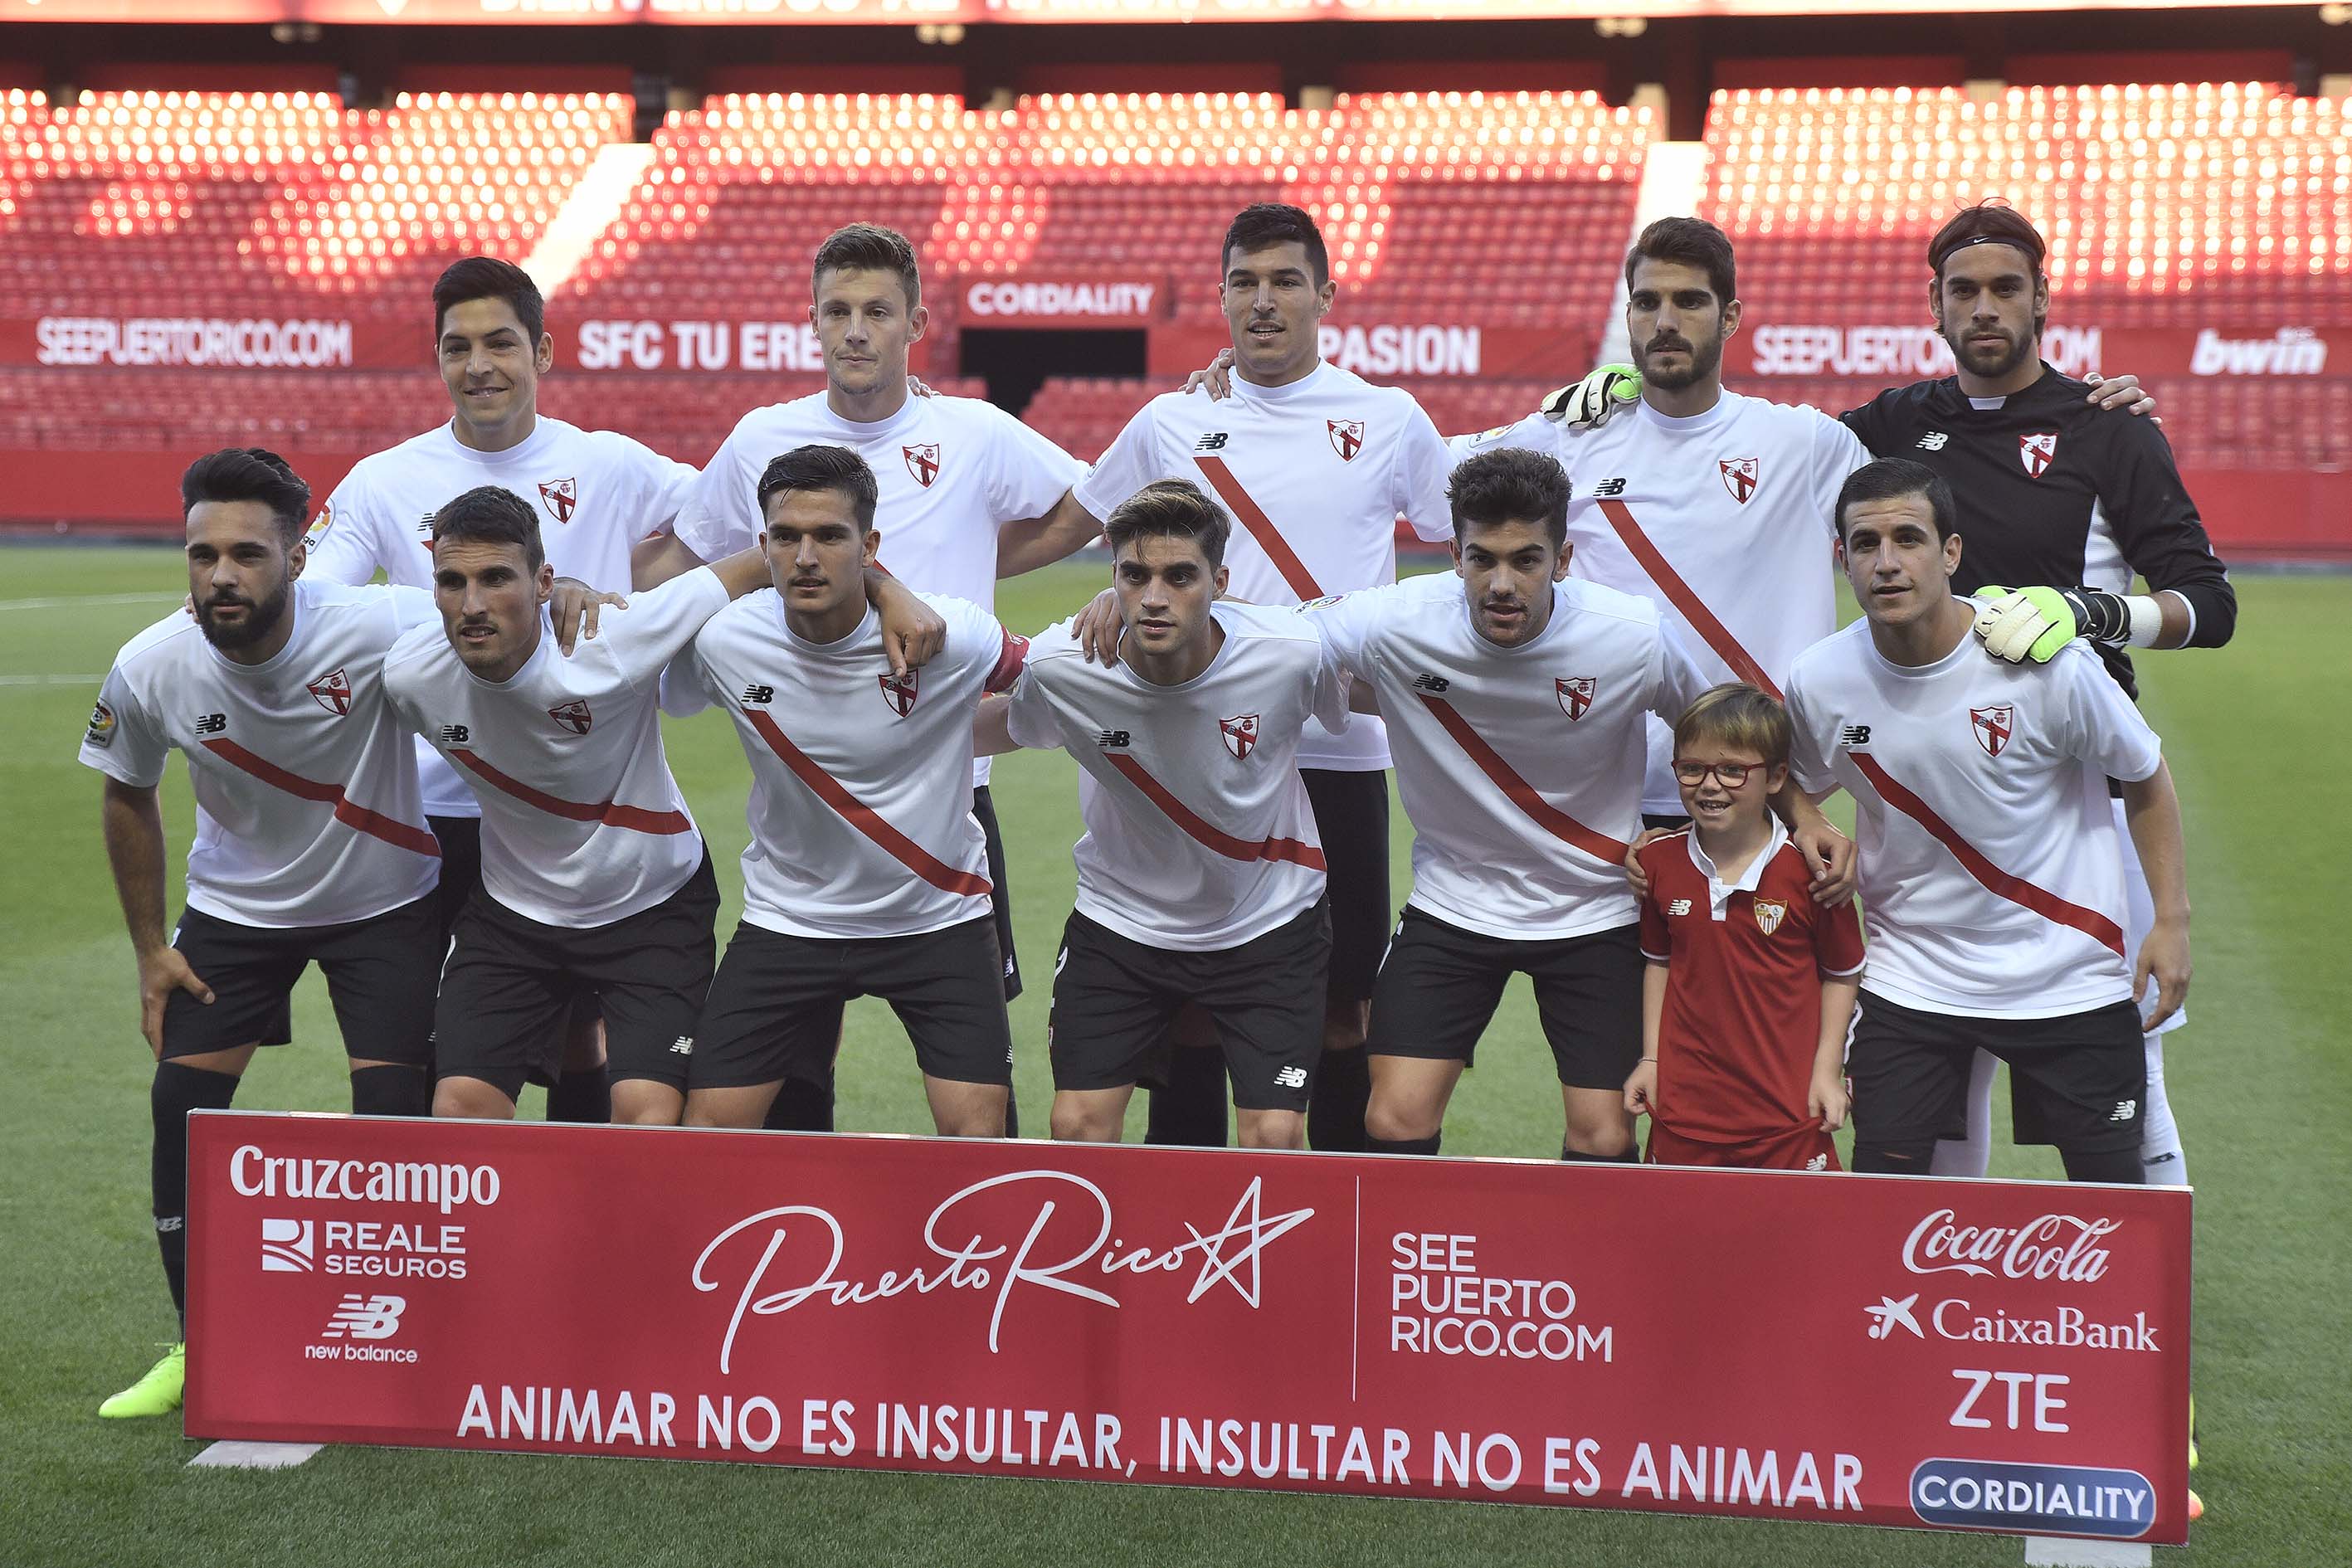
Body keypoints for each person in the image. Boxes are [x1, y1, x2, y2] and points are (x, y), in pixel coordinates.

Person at [1006, 202, 1458, 1152]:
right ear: (1220, 297)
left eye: (1286, 281)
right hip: (1191, 742)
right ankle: (1191, 1229)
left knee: (1344, 1007)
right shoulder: (1174, 417)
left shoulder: (1387, 418)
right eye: (1245, 283)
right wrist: (902, 583)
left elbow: (1471, 541)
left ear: (1325, 296)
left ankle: (1333, 1205)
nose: (1264, 302)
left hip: (1337, 745)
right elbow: (1075, 531)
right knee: (1186, 1008)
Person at [650, 222, 1087, 1133]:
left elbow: (1075, 512)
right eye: (838, 311)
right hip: (805, 789)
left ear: (913, 323)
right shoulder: (763, 438)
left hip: (946, 784)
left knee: (972, 1083)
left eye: (877, 311)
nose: (856, 330)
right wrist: (880, 588)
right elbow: (688, 566)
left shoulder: (970, 432)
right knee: (796, 1064)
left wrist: (966, 573)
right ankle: (793, 1242)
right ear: (811, 321)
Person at [1838, 202, 2237, 1186]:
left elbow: (2210, 603)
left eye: (2005, 288)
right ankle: (1937, 1302)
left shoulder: (2107, 432)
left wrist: (2096, 617)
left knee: (2126, 1062)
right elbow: (1748, 466)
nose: (1985, 308)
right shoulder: (1893, 424)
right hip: (1931, 800)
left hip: (2078, 808)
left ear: (2042, 299)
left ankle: (2142, 1305)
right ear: (1934, 305)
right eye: (1963, 290)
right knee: (1936, 1074)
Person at [383, 485, 942, 1126]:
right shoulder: (411, 677)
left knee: (648, 1119)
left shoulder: (617, 639)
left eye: (496, 578)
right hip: (515, 916)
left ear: (542, 583)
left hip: (651, 907)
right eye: (452, 582)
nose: (473, 604)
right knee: (459, 1110)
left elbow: (776, 561)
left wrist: (887, 590)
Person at [302, 256, 703, 1125]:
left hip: (574, 794)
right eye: (457, 347)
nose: (478, 365)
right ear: (437, 359)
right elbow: (318, 598)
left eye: (499, 343)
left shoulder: (609, 464)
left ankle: (584, 1229)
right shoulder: (384, 479)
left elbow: (733, 520)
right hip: (432, 808)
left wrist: (627, 603)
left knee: (578, 1038)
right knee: (432, 1051)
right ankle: (446, 1238)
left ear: (542, 351)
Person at [85, 450, 441, 1419]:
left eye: (247, 553)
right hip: (237, 918)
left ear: (296, 551)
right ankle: (200, 1347)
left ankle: (405, 1341)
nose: (221, 576)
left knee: (395, 1124)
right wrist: (152, 947)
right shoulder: (153, 662)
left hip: (388, 907)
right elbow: (127, 790)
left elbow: (504, 633)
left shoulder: (378, 622)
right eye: (203, 555)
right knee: (182, 1115)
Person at [1296, 447, 1738, 1161]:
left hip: (1595, 907)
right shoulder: (1395, 620)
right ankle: (1407, 1270)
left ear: (1562, 559)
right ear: (1453, 554)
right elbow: (1253, 643)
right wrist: (1122, 609)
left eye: (1526, 560)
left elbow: (1720, 730)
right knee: (1393, 1117)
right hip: (1455, 900)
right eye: (1482, 560)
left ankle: (1586, 1274)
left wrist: (1686, 836)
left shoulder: (1629, 635)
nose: (1502, 584)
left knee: (1603, 1130)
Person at [1785, 459, 2189, 1186]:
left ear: (1950, 553)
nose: (1887, 563)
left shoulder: (2046, 666)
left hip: (2068, 972)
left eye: (1908, 539)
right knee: (1882, 1197)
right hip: (1912, 979)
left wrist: (2170, 920)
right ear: (1839, 558)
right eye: (1865, 544)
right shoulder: (1819, 679)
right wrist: (1808, 814)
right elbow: (1793, 780)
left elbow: (2143, 772)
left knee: (2109, 1206)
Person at [975, 480, 1351, 1152]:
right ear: (1111, 576)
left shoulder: (1290, 654)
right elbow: (1004, 725)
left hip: (1267, 922)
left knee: (1274, 1136)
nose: (1153, 597)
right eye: (1134, 575)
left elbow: (1381, 697)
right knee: (1076, 1129)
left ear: (1220, 581)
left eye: (1180, 577)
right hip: (1122, 923)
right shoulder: (1065, 666)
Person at [667, 446, 1028, 1137]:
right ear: (762, 546)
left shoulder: (948, 637)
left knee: (979, 1136)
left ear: (869, 546)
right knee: (708, 1133)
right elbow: (617, 652)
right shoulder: (722, 643)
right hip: (791, 917)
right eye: (785, 537)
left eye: (829, 536)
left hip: (936, 918)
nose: (806, 556)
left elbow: (1058, 683)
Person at [1626, 684, 1864, 1171]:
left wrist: (1827, 1072)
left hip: (1789, 1116)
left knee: (1799, 1244)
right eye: (1691, 768)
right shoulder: (1657, 861)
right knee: (1678, 1243)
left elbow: (1841, 975)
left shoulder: (1814, 872)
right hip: (1682, 1114)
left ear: (1776, 776)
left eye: (1734, 770)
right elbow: (1660, 964)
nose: (1710, 785)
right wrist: (1651, 1061)